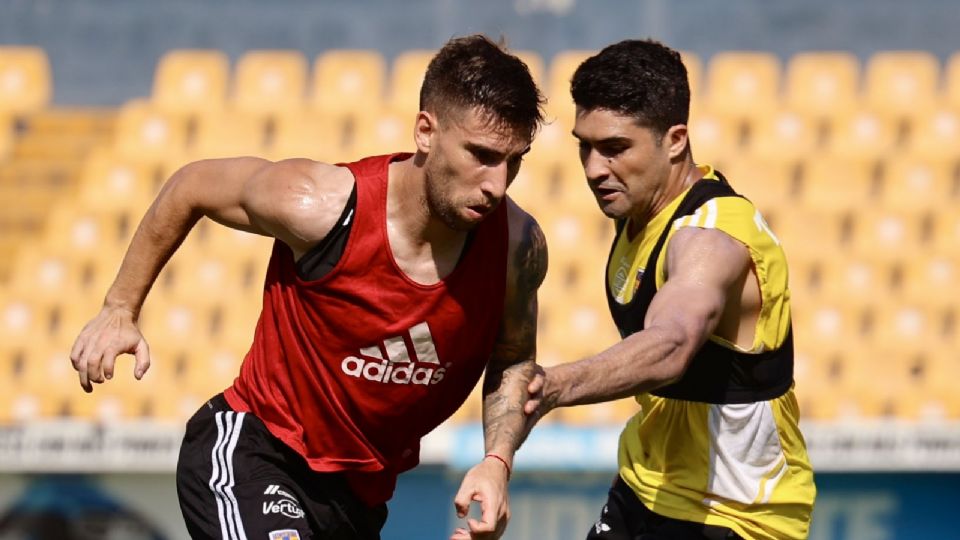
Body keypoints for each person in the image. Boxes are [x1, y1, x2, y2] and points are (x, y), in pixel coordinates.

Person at [69, 34, 547, 540]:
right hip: (257, 451)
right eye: (481, 155)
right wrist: (120, 307)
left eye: (513, 161)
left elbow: (513, 358)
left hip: (359, 500)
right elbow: (192, 186)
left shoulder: (517, 246)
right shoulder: (319, 207)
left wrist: (497, 461)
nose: (497, 183)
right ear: (426, 132)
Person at [524, 39, 816, 540]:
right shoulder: (641, 215)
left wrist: (554, 386)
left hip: (734, 516)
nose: (594, 169)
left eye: (615, 148)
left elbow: (673, 343)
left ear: (675, 139)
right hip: (645, 488)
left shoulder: (713, 237)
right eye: (584, 146)